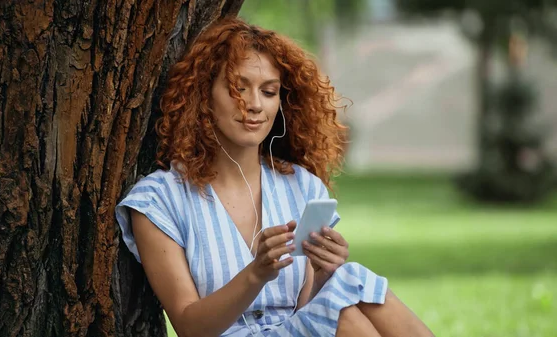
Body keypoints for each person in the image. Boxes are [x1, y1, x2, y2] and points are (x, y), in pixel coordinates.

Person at [115, 17, 434, 337]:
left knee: (347, 281)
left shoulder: (302, 185)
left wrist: (323, 274)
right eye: (238, 89)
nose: (254, 105)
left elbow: (303, 309)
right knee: (345, 314)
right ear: (203, 96)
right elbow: (189, 327)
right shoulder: (158, 199)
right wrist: (256, 273)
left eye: (268, 92)